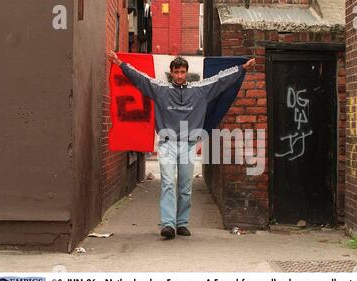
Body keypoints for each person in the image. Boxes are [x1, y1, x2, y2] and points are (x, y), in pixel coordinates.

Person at [108, 50, 255, 239]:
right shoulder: (160, 89)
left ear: (186, 72)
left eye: (182, 72)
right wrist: (120, 63)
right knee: (168, 183)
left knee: (185, 187)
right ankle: (168, 225)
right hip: (167, 144)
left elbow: (220, 80)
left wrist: (242, 68)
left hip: (189, 145)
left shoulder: (200, 90)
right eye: (176, 72)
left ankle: (182, 223)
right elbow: (140, 79)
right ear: (171, 73)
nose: (179, 75)